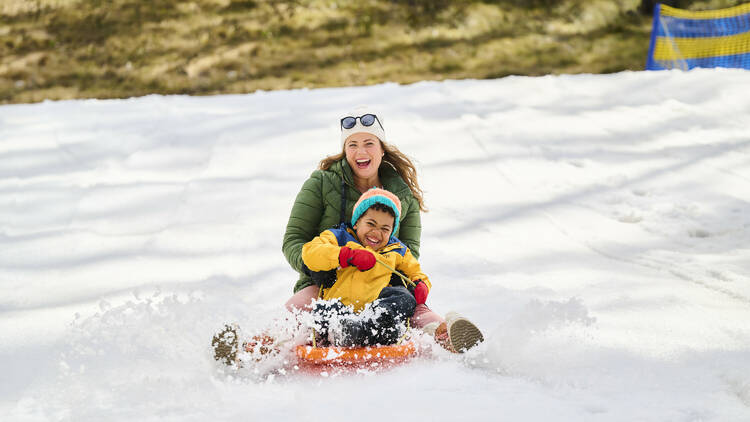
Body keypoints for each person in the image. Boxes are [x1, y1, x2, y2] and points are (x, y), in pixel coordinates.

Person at [282, 106, 482, 353]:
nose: (360, 151)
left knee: (410, 304)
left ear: (382, 148)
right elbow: (294, 240)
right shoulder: (322, 184)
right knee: (300, 309)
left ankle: (448, 335)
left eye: (369, 143)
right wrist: (331, 263)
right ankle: (256, 348)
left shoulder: (402, 196)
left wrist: (414, 283)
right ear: (344, 150)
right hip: (327, 283)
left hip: (380, 283)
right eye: (352, 145)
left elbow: (409, 254)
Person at [301, 187, 428, 347]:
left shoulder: (397, 249)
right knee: (324, 309)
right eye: (371, 224)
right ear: (356, 223)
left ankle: (374, 330)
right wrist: (346, 255)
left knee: (404, 298)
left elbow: (414, 270)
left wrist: (420, 284)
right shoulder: (339, 237)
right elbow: (310, 253)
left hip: (376, 310)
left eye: (385, 229)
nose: (376, 232)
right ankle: (344, 331)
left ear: (391, 232)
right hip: (340, 306)